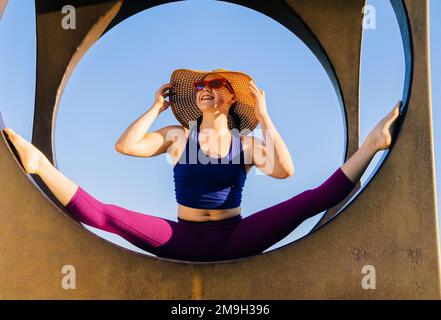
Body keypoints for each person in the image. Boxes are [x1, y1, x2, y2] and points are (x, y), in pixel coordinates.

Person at [3, 68, 402, 262]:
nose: (204, 91)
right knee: (105, 216)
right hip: (181, 236)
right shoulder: (177, 137)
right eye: (200, 87)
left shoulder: (246, 144)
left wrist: (266, 118)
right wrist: (156, 106)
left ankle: (371, 144)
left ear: (230, 98)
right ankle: (38, 164)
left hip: (236, 235)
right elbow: (125, 146)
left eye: (213, 86)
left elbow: (285, 171)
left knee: (309, 202)